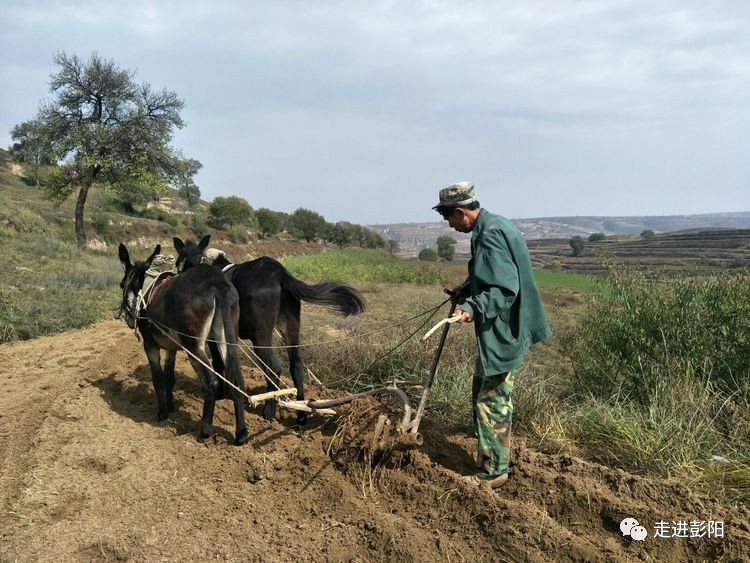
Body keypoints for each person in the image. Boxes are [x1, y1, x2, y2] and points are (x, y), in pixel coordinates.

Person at [433, 181, 552, 490]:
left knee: (492, 399)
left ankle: (493, 471)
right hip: (501, 327)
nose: (449, 224)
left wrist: (473, 307)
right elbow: (490, 275)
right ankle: (486, 441)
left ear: (461, 212)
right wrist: (467, 289)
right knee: (480, 380)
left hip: (506, 327)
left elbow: (504, 288)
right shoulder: (491, 225)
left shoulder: (490, 235)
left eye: (449, 217)